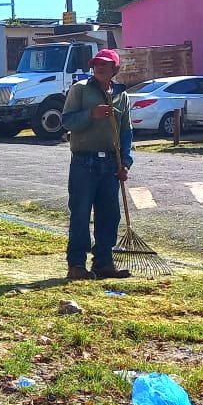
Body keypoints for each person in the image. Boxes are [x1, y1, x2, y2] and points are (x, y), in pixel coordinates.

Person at [61, 48, 134, 280]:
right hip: (85, 161)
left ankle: (103, 263)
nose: (99, 67)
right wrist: (90, 114)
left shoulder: (121, 95)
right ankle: (76, 265)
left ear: (116, 69)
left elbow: (126, 132)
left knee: (110, 215)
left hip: (111, 163)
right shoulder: (80, 90)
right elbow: (66, 121)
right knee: (81, 214)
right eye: (96, 64)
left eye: (105, 64)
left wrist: (126, 162)